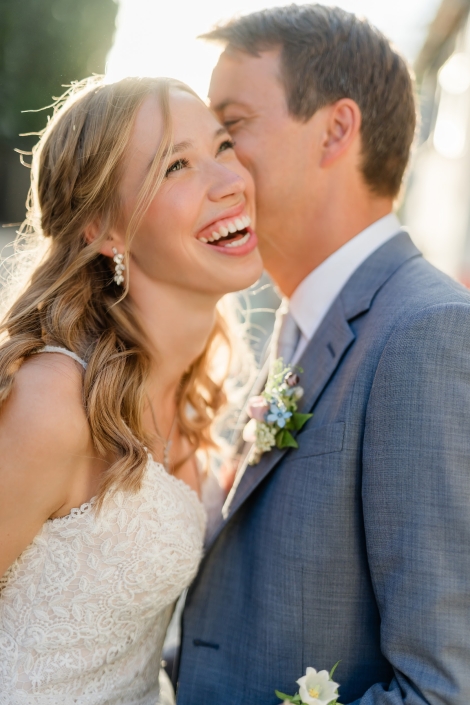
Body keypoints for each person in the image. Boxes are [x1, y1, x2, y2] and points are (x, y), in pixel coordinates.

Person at [177, 5, 470, 704]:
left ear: (336, 129)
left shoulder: (427, 333)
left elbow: (442, 689)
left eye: (231, 127)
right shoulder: (299, 325)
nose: (214, 163)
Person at [0, 75, 263, 704]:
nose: (231, 182)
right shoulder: (55, 400)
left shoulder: (188, 400)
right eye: (176, 165)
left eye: (223, 147)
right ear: (103, 231)